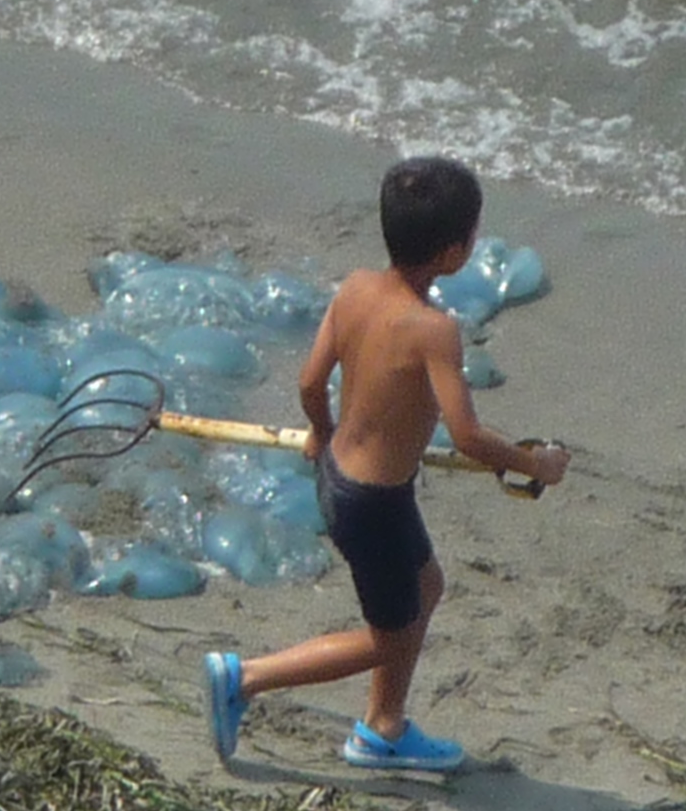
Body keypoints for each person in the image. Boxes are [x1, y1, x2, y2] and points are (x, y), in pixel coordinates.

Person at [204, 156, 570, 772]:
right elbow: (469, 436)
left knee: (425, 588)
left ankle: (383, 727)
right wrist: (535, 463)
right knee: (387, 638)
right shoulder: (434, 330)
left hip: (346, 481)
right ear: (455, 251)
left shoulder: (353, 290)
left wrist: (321, 434)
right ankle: (244, 679)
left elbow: (311, 381)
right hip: (373, 505)